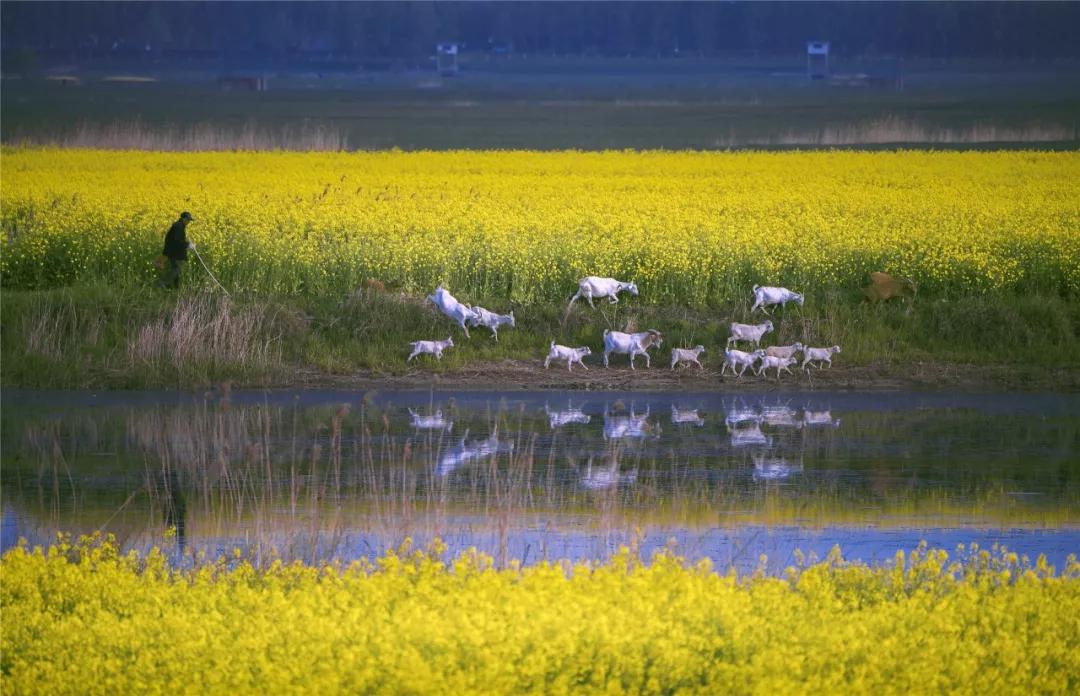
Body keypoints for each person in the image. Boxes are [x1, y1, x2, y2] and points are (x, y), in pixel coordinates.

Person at [158, 211, 195, 289]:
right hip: (175, 253)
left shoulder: (179, 225)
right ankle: (163, 283)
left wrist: (187, 244)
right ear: (184, 219)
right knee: (177, 269)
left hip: (174, 252)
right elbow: (177, 241)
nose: (189, 222)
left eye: (189, 220)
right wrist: (187, 245)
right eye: (188, 220)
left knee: (177, 271)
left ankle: (175, 287)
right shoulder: (178, 227)